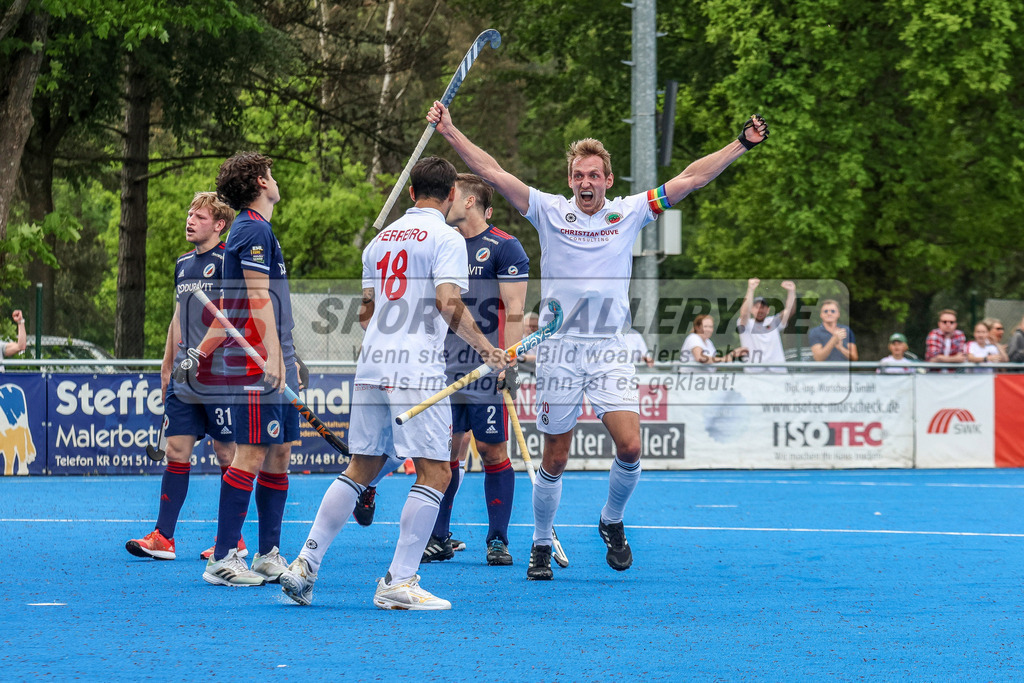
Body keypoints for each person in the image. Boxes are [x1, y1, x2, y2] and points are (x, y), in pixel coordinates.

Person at [427, 99, 769, 580]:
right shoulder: (547, 210)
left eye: (595, 175)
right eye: (579, 175)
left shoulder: (630, 212)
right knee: (556, 457)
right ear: (570, 180)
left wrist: (741, 145)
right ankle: (541, 543)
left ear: (608, 180)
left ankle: (611, 520)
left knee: (630, 447)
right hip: (560, 351)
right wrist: (450, 132)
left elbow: (691, 178)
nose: (586, 182)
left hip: (611, 349)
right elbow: (493, 171)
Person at [277, 157, 506, 610]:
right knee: (436, 471)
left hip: (372, 363)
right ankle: (399, 582)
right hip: (416, 368)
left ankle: (305, 564)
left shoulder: (379, 242)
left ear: (410, 191)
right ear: (453, 197)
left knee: (362, 467)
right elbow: (448, 303)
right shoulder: (447, 238)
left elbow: (365, 315)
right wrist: (486, 348)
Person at [352, 173, 529, 568]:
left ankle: (497, 540)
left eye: (455, 192)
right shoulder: (432, 240)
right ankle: (436, 536)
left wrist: (509, 358)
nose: (447, 198)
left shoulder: (504, 247)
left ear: (467, 201)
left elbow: (514, 309)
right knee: (439, 450)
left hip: (482, 366)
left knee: (491, 448)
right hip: (431, 364)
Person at [186, 152, 298, 587]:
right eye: (271, 172)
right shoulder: (250, 228)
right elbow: (256, 299)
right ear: (259, 180)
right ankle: (223, 557)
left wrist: (286, 356)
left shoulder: (259, 229)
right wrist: (271, 355)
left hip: (275, 357)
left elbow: (235, 305)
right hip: (255, 362)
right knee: (250, 453)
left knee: (280, 454)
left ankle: (268, 553)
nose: (275, 178)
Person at [125, 192, 239, 561]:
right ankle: (163, 537)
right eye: (189, 214)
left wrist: (198, 357)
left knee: (226, 455)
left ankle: (232, 542)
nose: (190, 220)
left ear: (219, 225)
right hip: (183, 378)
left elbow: (228, 318)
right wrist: (166, 364)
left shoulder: (228, 261)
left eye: (200, 216)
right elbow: (179, 315)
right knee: (176, 451)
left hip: (219, 375)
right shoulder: (183, 264)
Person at [736, 279, 795, 373]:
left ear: (768, 310)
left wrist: (791, 292)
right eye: (756, 307)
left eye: (763, 307)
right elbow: (744, 313)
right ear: (751, 310)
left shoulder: (773, 322)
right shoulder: (746, 325)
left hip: (777, 374)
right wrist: (750, 289)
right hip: (755, 376)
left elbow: (789, 311)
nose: (760, 310)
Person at [680, 315, 744, 371]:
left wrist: (731, 355)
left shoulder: (708, 342)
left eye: (710, 327)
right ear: (697, 327)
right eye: (705, 326)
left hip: (704, 380)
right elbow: (700, 358)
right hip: (689, 379)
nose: (709, 329)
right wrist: (723, 359)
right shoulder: (693, 337)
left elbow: (714, 361)